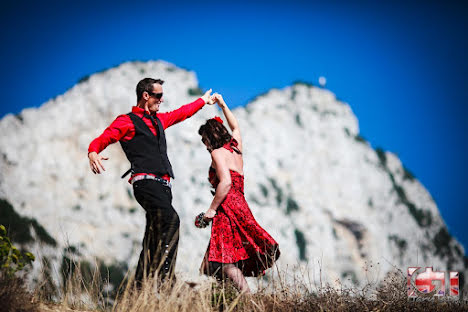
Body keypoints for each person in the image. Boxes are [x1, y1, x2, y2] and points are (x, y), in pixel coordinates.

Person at [88, 78, 215, 287]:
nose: (161, 100)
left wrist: (202, 101)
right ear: (145, 96)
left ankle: (139, 288)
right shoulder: (127, 120)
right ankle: (166, 281)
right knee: (171, 219)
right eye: (158, 95)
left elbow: (180, 114)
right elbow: (107, 136)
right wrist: (93, 151)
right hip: (145, 183)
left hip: (164, 186)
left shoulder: (158, 120)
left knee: (153, 238)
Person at [198, 93, 280, 293]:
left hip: (227, 207)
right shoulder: (236, 148)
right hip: (241, 204)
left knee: (223, 261)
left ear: (210, 137)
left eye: (204, 140)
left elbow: (225, 183)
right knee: (212, 261)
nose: (205, 145)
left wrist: (211, 210)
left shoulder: (217, 154)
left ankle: (246, 298)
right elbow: (236, 127)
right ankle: (222, 298)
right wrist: (223, 105)